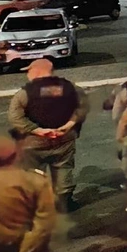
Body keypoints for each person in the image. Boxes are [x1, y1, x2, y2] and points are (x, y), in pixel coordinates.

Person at [7, 58, 89, 213]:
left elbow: (15, 117)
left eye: (29, 71)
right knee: (63, 167)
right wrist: (68, 126)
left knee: (32, 172)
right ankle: (64, 202)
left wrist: (37, 130)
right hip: (64, 138)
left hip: (33, 141)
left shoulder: (25, 93)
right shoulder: (71, 87)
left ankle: (36, 205)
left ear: (36, 71)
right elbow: (82, 107)